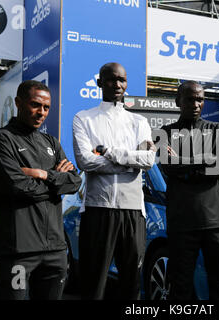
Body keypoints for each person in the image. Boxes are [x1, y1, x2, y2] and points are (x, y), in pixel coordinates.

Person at [0, 80, 82, 300]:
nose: (41, 113)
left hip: (56, 251)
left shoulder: (52, 142)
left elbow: (75, 182)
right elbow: (18, 186)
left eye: (46, 107)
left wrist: (43, 174)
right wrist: (58, 183)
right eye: (35, 105)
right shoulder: (1, 140)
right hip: (17, 252)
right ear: (19, 103)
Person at [72, 62, 156, 300]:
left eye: (122, 80)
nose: (117, 84)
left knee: (131, 286)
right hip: (98, 210)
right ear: (99, 82)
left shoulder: (139, 121)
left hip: (133, 212)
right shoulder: (84, 118)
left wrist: (109, 151)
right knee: (94, 285)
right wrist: (131, 162)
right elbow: (86, 161)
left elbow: (148, 160)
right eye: (111, 79)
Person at [160, 81, 219, 300]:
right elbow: (169, 167)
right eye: (190, 98)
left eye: (200, 99)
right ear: (178, 102)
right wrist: (209, 161)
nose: (196, 104)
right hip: (182, 224)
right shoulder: (166, 133)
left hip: (218, 223)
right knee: (180, 289)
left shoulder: (217, 129)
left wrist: (186, 168)